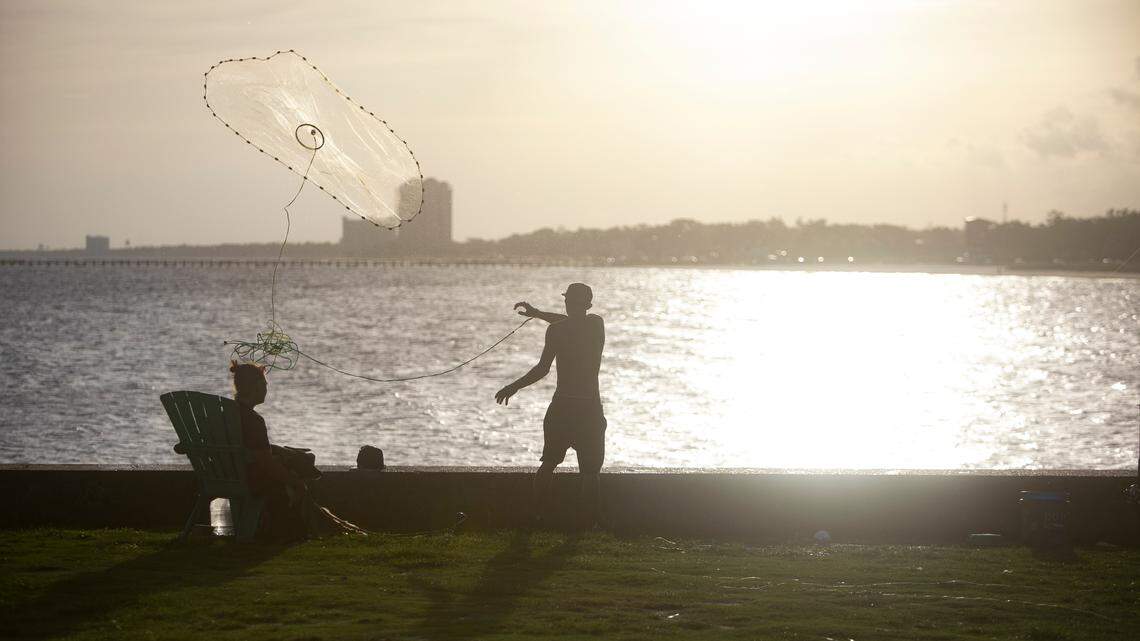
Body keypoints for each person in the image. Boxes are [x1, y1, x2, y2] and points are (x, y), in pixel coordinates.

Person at [495, 283, 606, 527]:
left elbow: (542, 369)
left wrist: (513, 386)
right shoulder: (596, 325)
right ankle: (589, 522)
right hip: (589, 408)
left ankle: (537, 515)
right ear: (588, 305)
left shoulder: (556, 331)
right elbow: (571, 322)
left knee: (549, 464)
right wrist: (538, 314)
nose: (568, 306)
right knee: (590, 472)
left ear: (573, 303)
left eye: (569, 302)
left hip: (562, 407)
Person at [230, 360, 365, 541]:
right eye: (264, 384)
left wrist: (279, 451)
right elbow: (266, 463)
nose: (266, 388)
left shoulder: (227, 415)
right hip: (251, 479)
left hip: (227, 474)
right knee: (300, 471)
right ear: (255, 387)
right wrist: (295, 482)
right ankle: (329, 526)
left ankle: (333, 525)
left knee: (298, 460)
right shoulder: (253, 420)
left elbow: (248, 449)